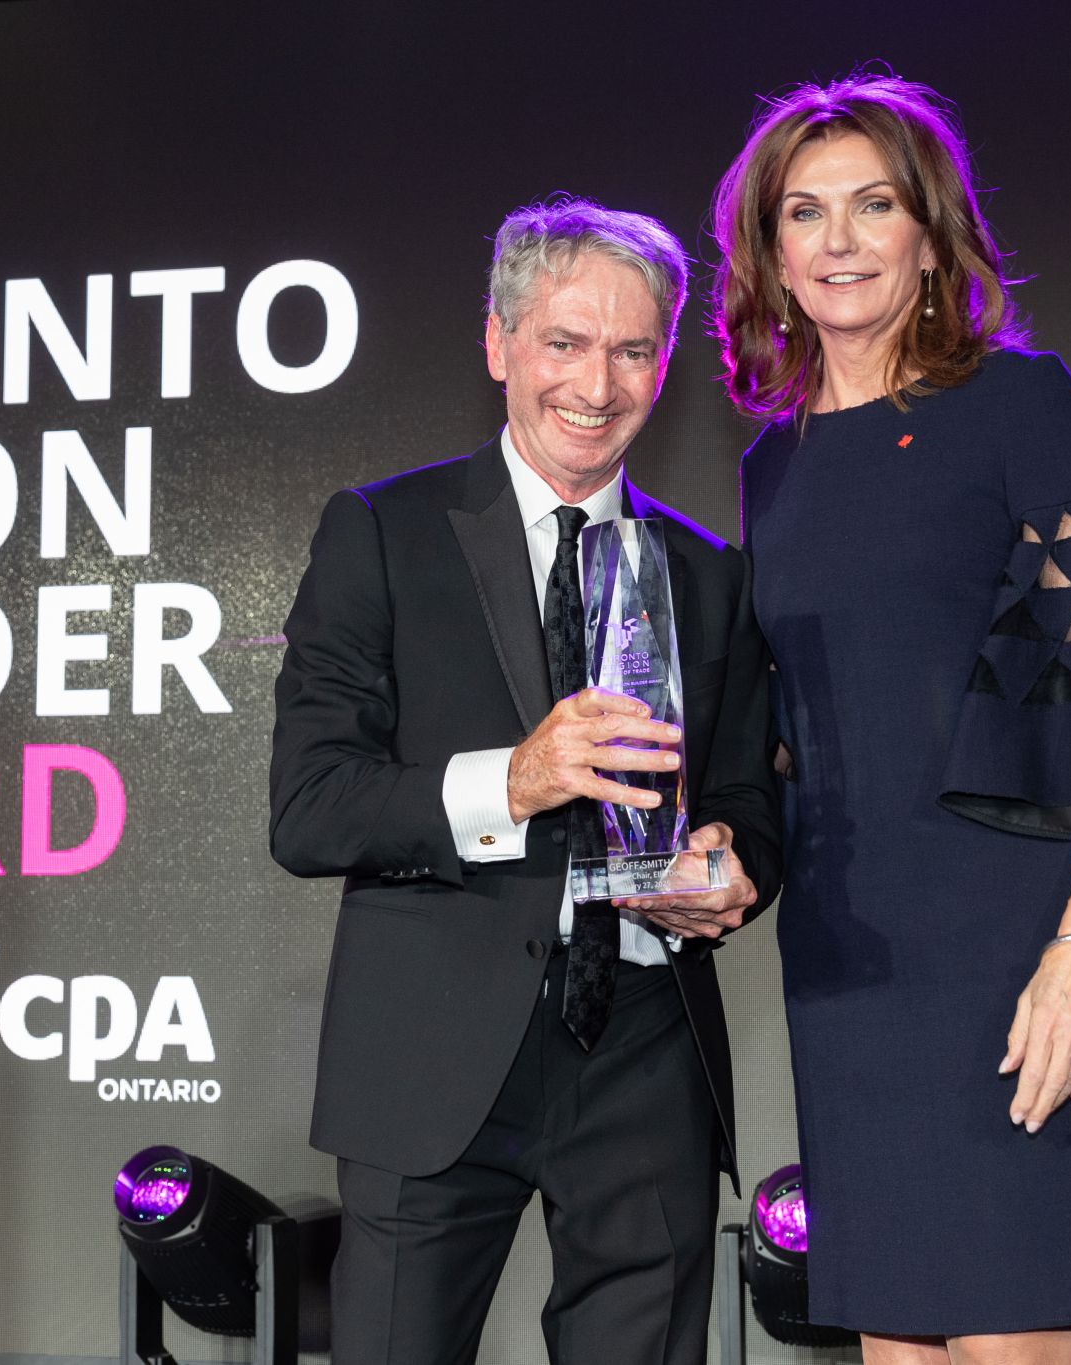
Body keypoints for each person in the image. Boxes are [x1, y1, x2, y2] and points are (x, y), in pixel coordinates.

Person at [712, 75, 1071, 1362]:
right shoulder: (772, 465)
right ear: (770, 251)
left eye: (873, 205)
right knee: (892, 1342)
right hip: (853, 966)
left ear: (928, 236)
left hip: (1016, 939)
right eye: (805, 212)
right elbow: (805, 719)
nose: (839, 239)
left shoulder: (1018, 406)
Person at [269, 197, 783, 1364]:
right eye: (562, 342)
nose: (595, 384)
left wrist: (726, 867)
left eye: (631, 348)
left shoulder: (706, 575)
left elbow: (751, 801)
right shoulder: (381, 534)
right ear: (498, 346)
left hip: (648, 1050)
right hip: (431, 1057)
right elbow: (308, 809)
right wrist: (511, 779)